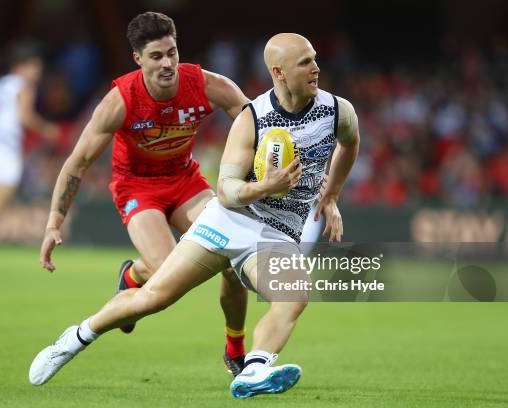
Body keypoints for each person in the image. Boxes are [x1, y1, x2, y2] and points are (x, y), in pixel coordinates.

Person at [29, 33, 359, 399]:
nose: (316, 68)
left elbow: (350, 141)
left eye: (314, 59)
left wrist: (330, 194)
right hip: (222, 215)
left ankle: (250, 368)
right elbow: (227, 190)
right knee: (156, 295)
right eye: (305, 63)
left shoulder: (337, 110)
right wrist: (53, 223)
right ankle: (76, 337)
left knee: (294, 295)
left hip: (267, 229)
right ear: (279, 73)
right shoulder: (253, 118)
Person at [37, 12, 250, 375]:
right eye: (156, 56)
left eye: (172, 52)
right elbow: (78, 162)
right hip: (137, 188)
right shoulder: (120, 101)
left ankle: (235, 348)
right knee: (168, 272)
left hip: (186, 182)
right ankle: (135, 276)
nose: (167, 63)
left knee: (234, 255)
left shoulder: (206, 84)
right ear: (138, 58)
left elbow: (251, 119)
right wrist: (54, 222)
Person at [0, 42, 58, 264]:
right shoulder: (23, 85)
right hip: (3, 149)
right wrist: (47, 129)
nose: (38, 72)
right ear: (22, 66)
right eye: (35, 66)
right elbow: (24, 116)